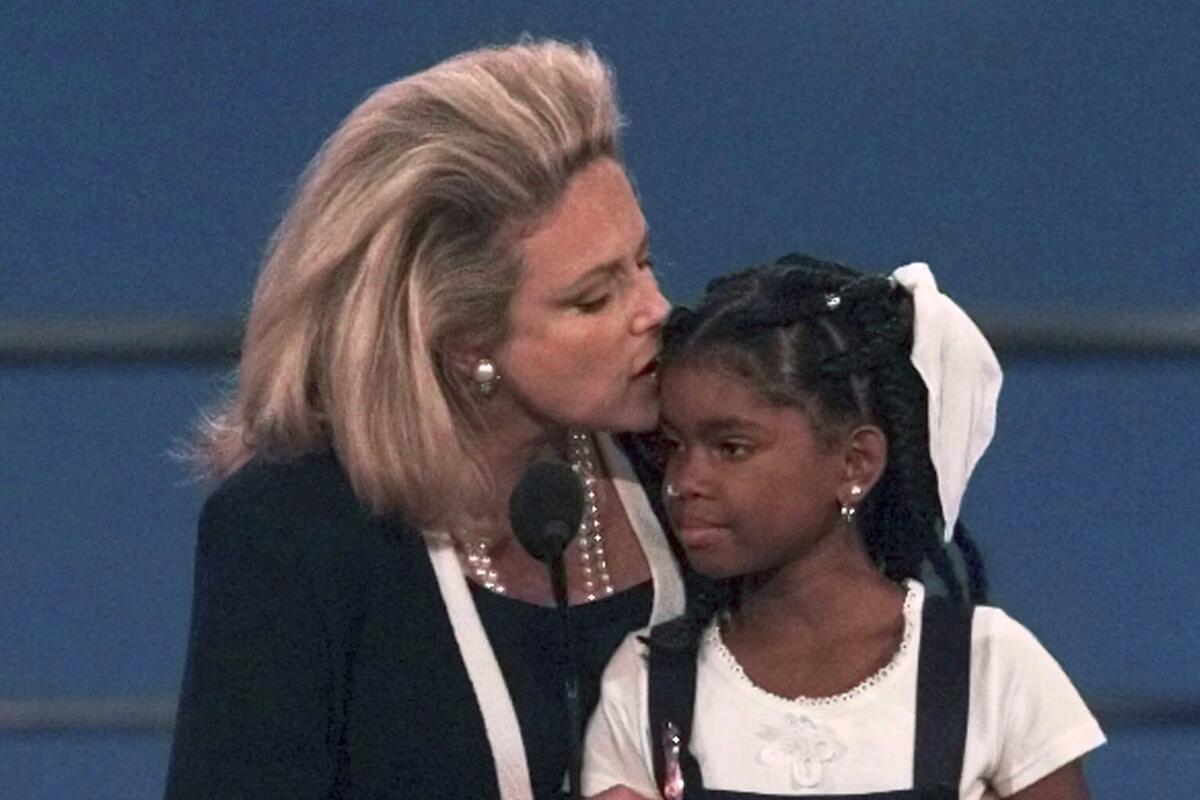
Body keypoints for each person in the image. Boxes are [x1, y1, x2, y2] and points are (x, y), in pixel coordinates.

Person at [165, 39, 687, 800]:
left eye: (643, 262)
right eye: (592, 299)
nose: (655, 311)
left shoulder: (690, 466)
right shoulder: (295, 535)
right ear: (460, 334)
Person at [582, 254, 1105, 799]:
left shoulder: (990, 668)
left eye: (731, 447)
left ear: (855, 464)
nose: (684, 479)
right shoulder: (648, 683)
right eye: (673, 447)